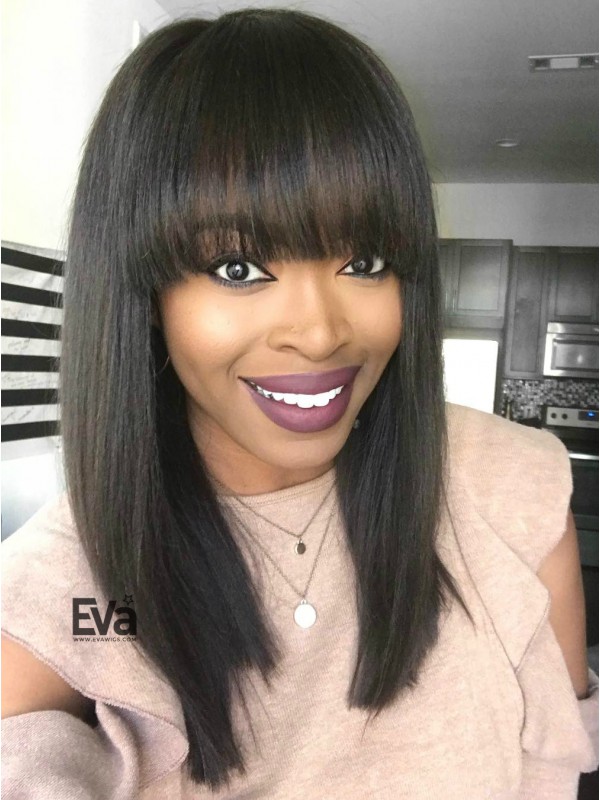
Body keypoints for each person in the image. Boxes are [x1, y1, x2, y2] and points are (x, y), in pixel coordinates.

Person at [1, 8, 598, 799]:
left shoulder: (511, 483)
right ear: (144, 294)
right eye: (238, 267)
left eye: (366, 260)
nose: (320, 334)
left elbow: (560, 758)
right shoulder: (59, 584)